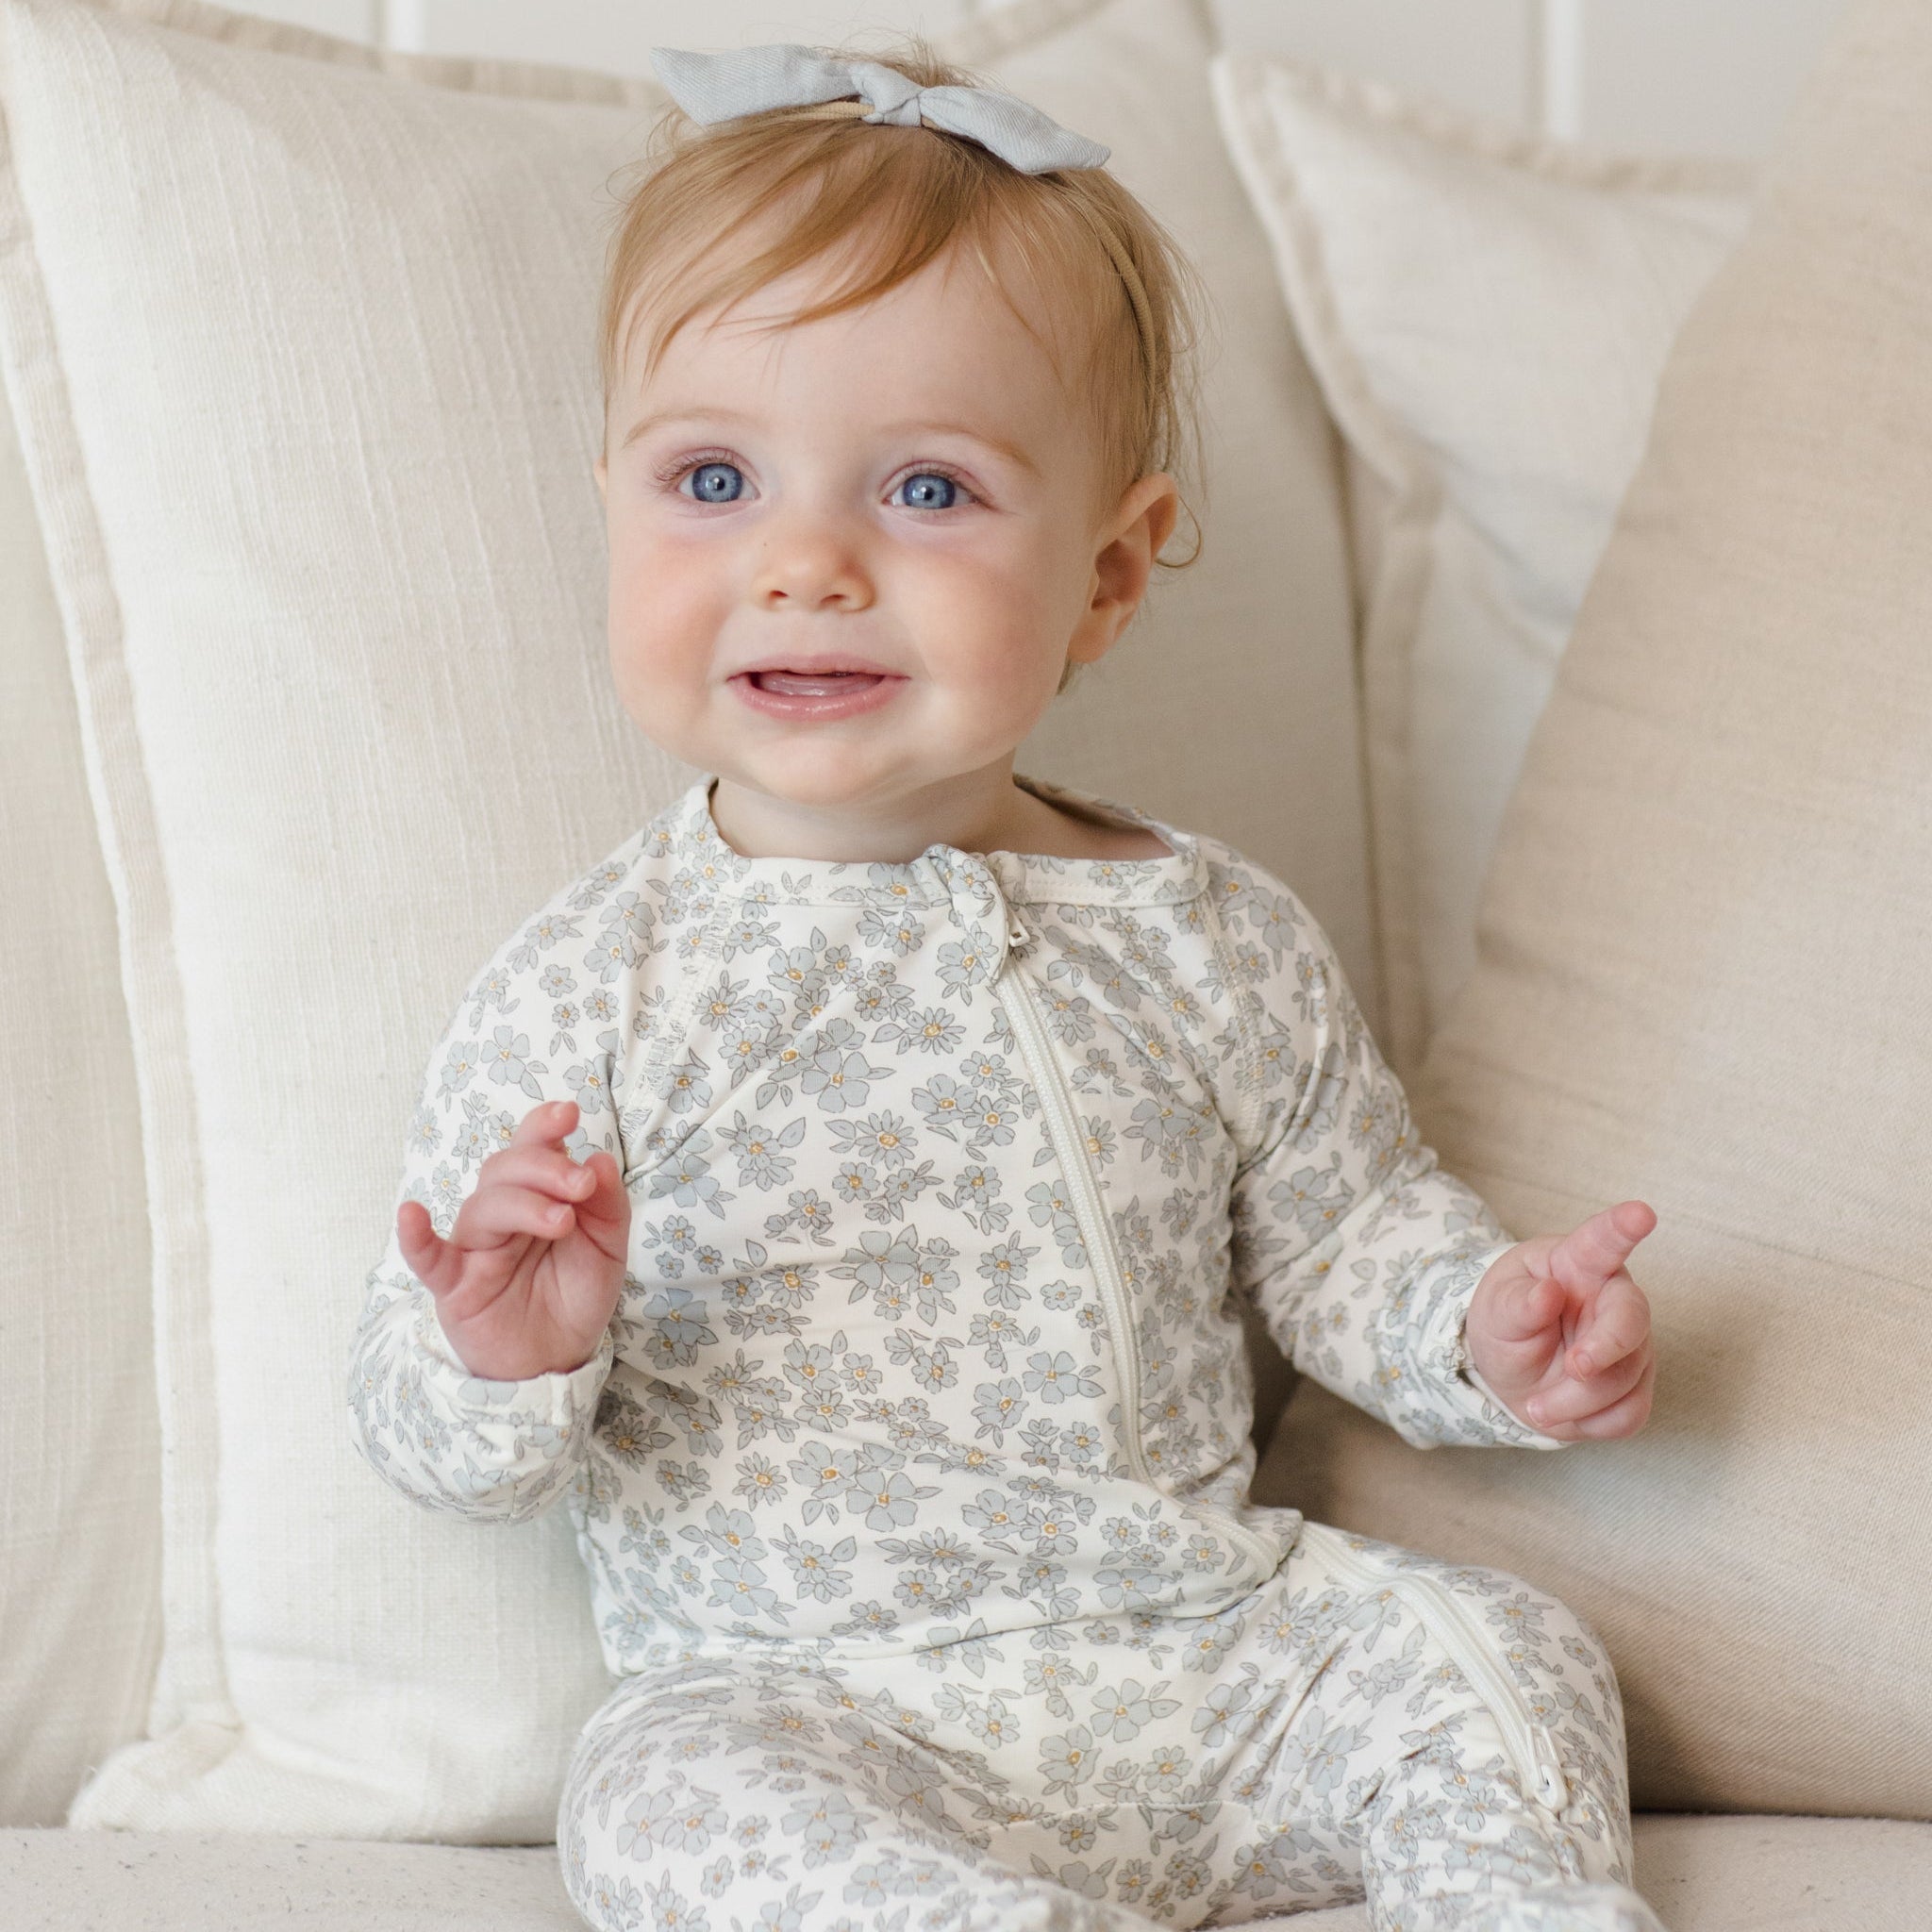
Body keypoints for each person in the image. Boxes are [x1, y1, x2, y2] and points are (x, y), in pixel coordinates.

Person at [345, 38, 1663, 1932]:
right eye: (712, 478)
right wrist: (506, 1347)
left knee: (1503, 1651)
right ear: (613, 511)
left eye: (928, 489)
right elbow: (423, 1433)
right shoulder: (595, 987)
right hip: (818, 1692)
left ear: (1107, 577)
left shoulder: (1204, 933)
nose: (806, 562)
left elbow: (1347, 1237)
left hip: (1207, 1657)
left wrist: (1486, 1329)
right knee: (656, 1797)